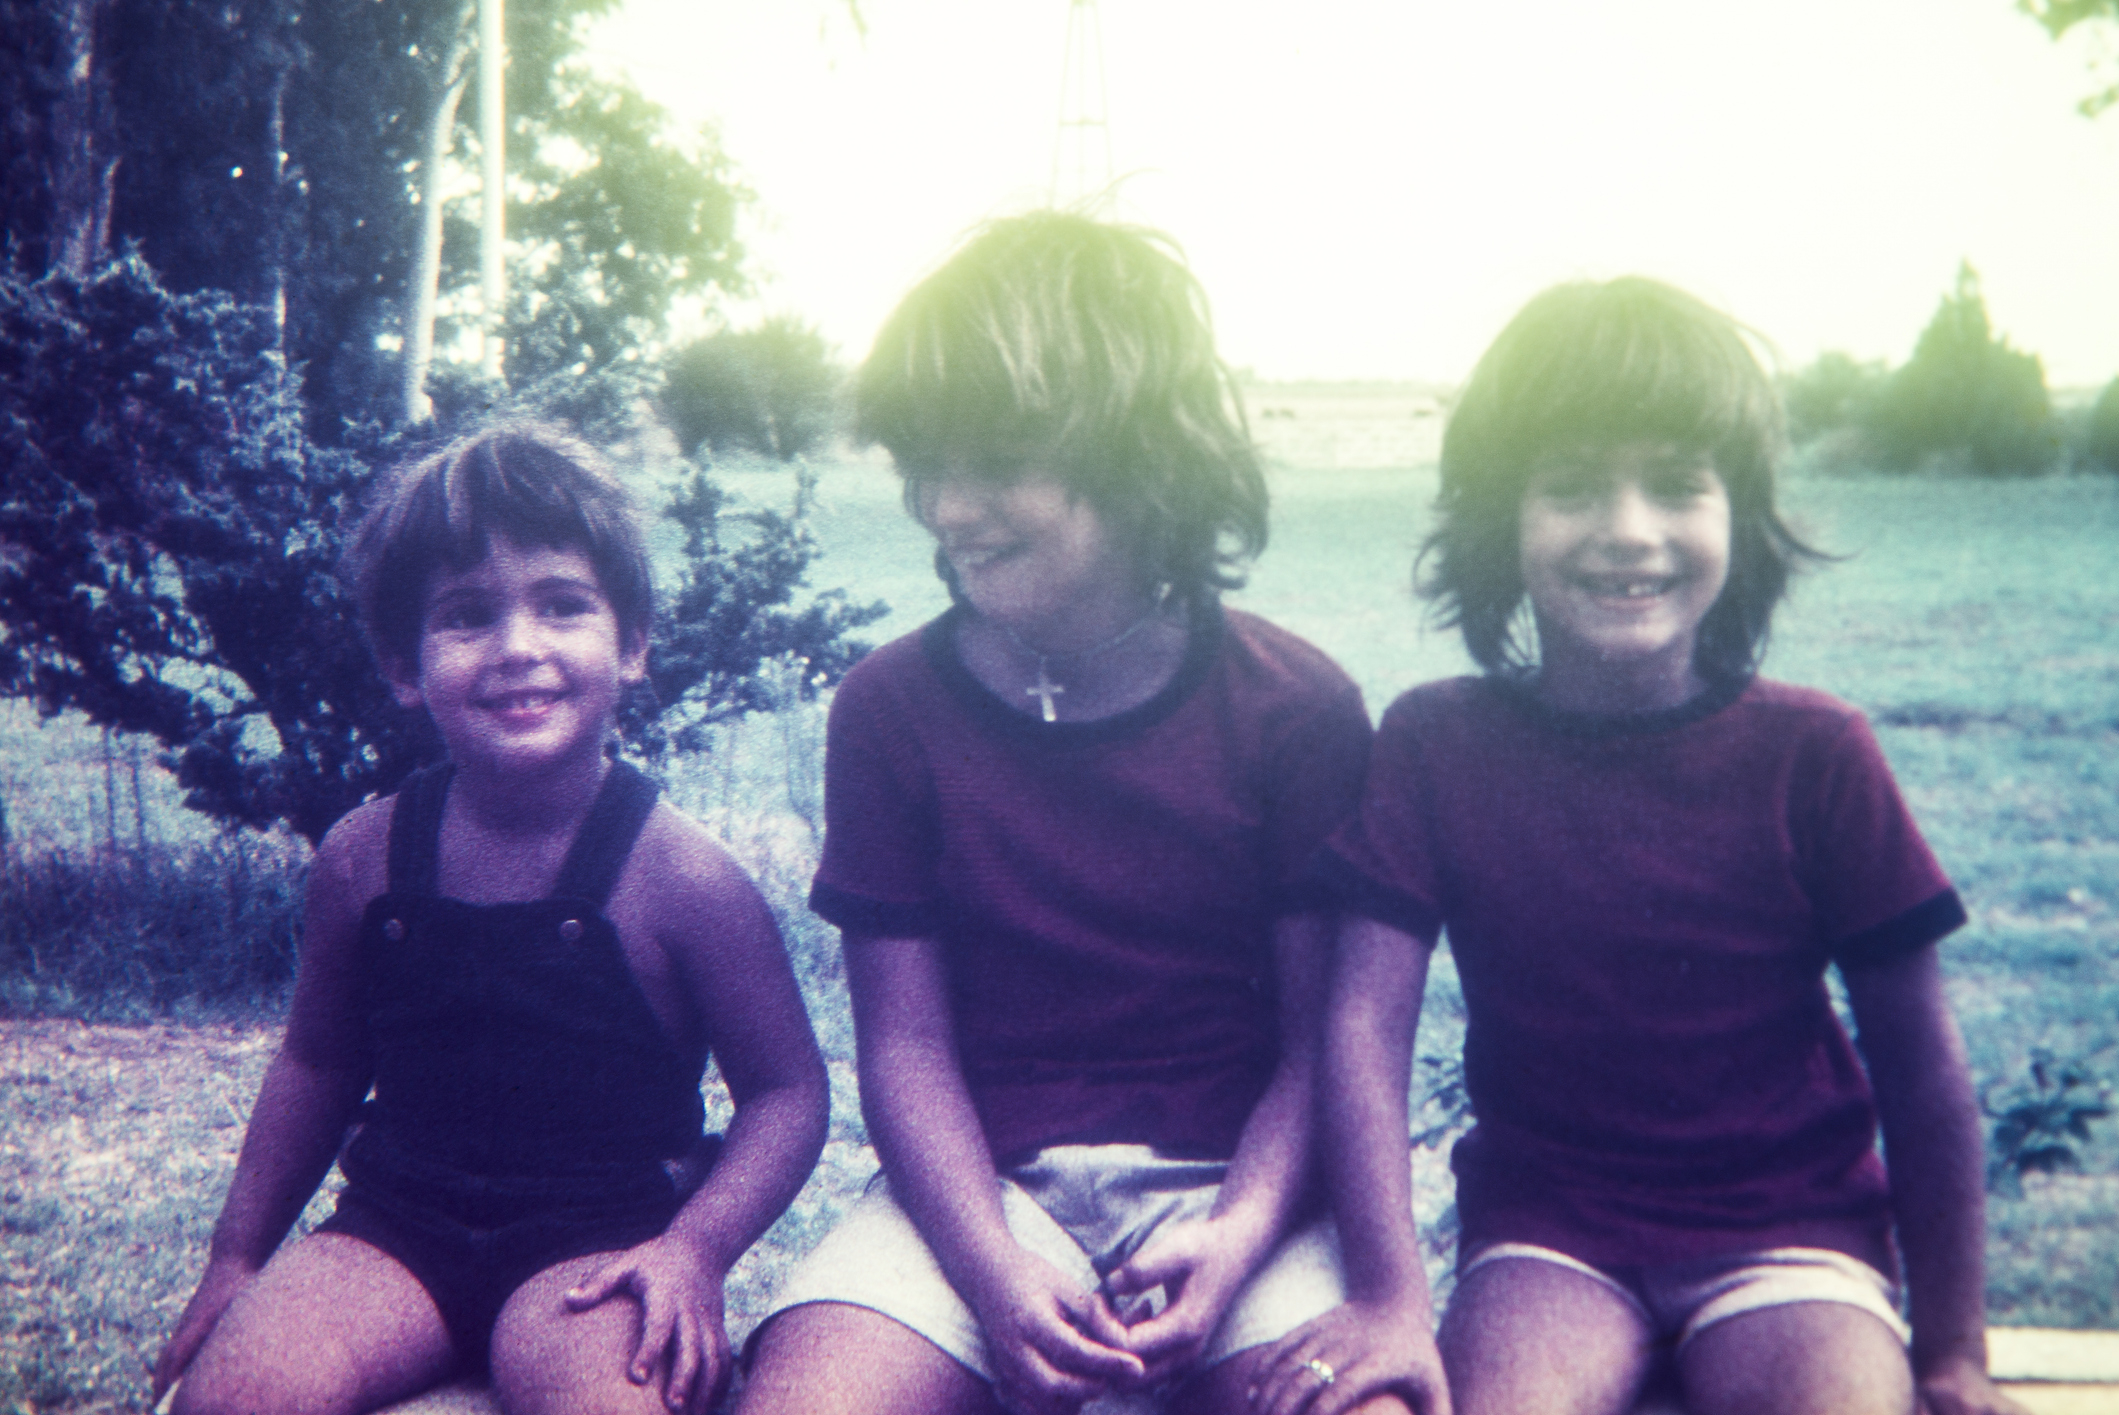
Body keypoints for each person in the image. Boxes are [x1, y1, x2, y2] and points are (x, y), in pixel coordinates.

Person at [1253, 278, 2028, 1415]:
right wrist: (1386, 1295)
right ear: (1498, 521)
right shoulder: (1435, 742)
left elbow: (1922, 1071)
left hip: (1793, 1235)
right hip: (1550, 1239)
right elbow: (1361, 1030)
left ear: (1740, 516)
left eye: (1675, 485)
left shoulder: (1817, 752)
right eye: (1570, 487)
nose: (1627, 527)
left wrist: (1954, 1351)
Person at [733, 212, 1380, 1415]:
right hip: (975, 1198)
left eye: (989, 462)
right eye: (924, 462)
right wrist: (992, 1270)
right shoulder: (892, 710)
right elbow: (907, 1047)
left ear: (1141, 452)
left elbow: (1315, 1044)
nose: (946, 505)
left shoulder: (1296, 707)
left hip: (1238, 1197)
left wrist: (1236, 1234)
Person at [152, 426, 829, 1415]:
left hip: (592, 1247)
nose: (520, 647)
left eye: (562, 605)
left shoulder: (685, 877)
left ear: (631, 641)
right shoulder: (363, 857)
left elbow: (786, 1093)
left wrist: (693, 1247)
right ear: (404, 664)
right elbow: (315, 1063)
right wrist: (237, 1253)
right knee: (234, 1397)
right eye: (467, 616)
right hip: (393, 1230)